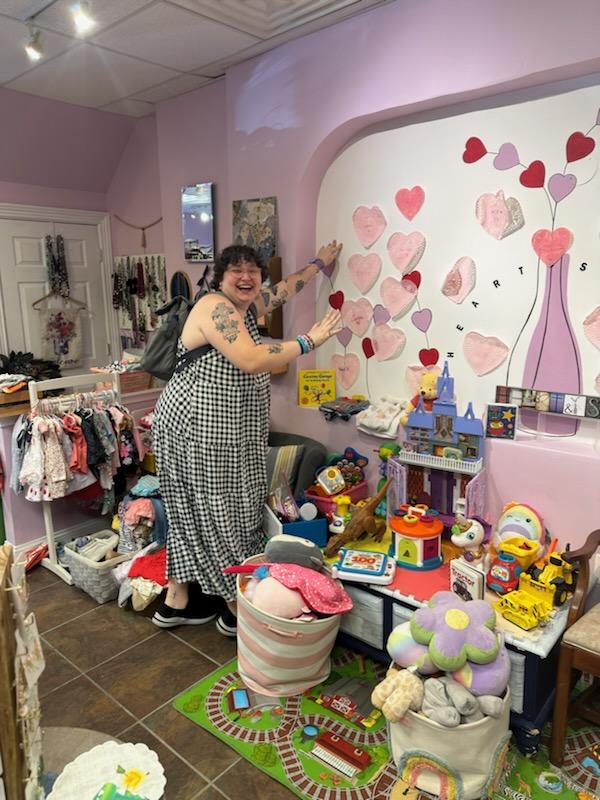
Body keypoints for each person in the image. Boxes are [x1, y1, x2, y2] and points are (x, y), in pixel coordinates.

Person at [152, 240, 342, 635]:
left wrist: (319, 264)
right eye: (236, 270)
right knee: (220, 511)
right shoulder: (215, 308)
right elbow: (252, 359)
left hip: (221, 430)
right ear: (219, 278)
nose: (246, 277)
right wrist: (310, 341)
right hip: (196, 428)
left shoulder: (244, 309)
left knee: (199, 509)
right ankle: (235, 604)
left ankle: (178, 601)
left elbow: (285, 289)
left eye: (253, 271)